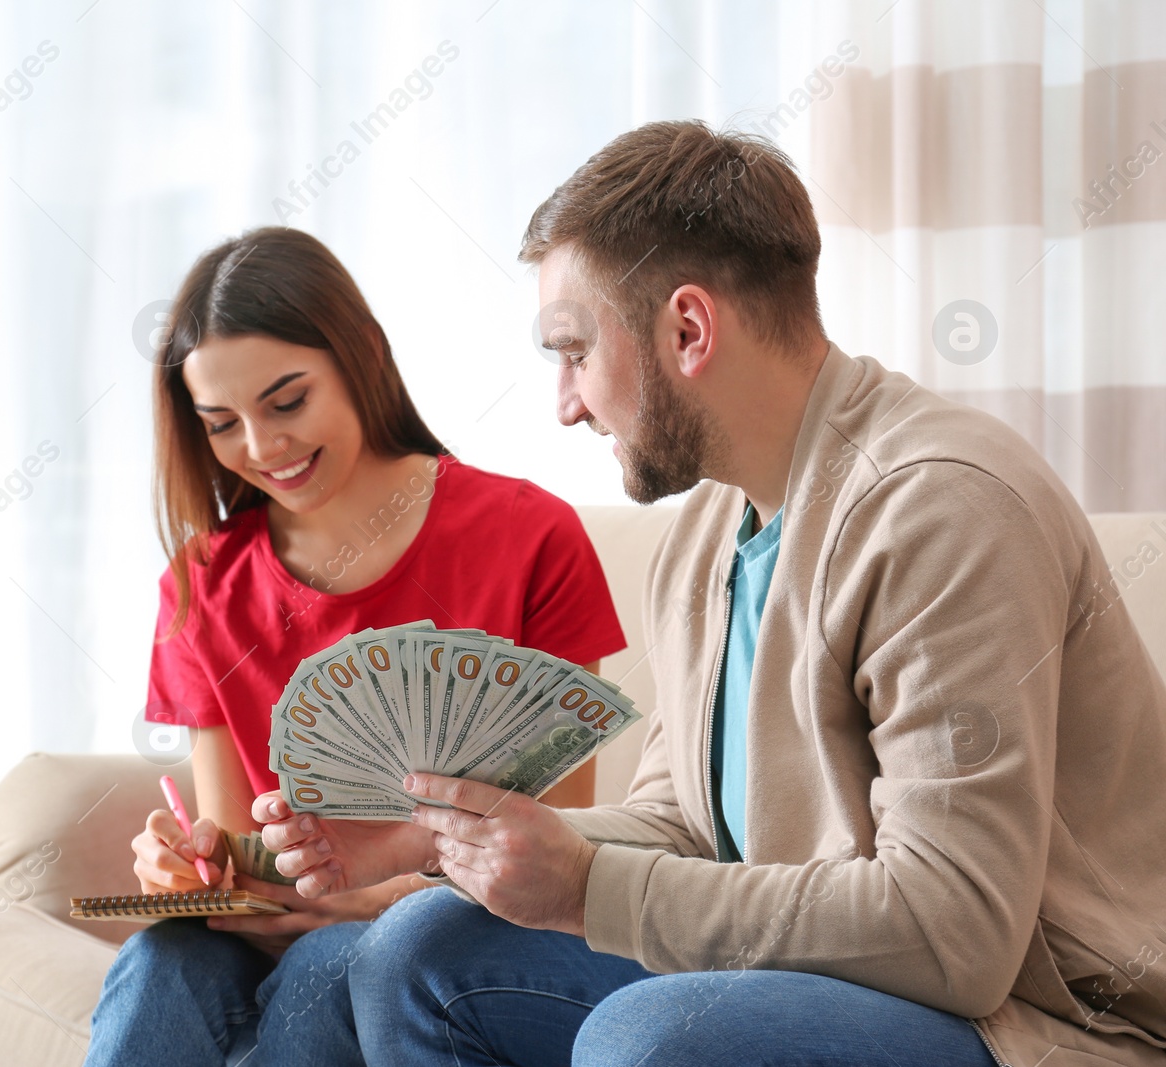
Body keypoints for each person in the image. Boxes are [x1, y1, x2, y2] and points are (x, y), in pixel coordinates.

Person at [258, 121, 1166, 1066]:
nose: (565, 402)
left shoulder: (941, 508)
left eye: (573, 351)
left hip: (1038, 1024)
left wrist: (586, 889)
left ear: (687, 329)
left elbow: (956, 934)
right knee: (418, 948)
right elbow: (684, 826)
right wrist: (431, 845)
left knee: (647, 1039)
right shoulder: (704, 534)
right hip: (833, 982)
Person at [82, 226, 628, 1066]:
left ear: (361, 356)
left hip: (444, 928)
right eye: (222, 423)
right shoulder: (203, 583)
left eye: (288, 401)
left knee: (336, 963)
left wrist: (365, 901)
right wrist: (190, 872)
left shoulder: (530, 537)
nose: (262, 448)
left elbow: (555, 835)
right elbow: (234, 845)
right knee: (159, 959)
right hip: (277, 932)